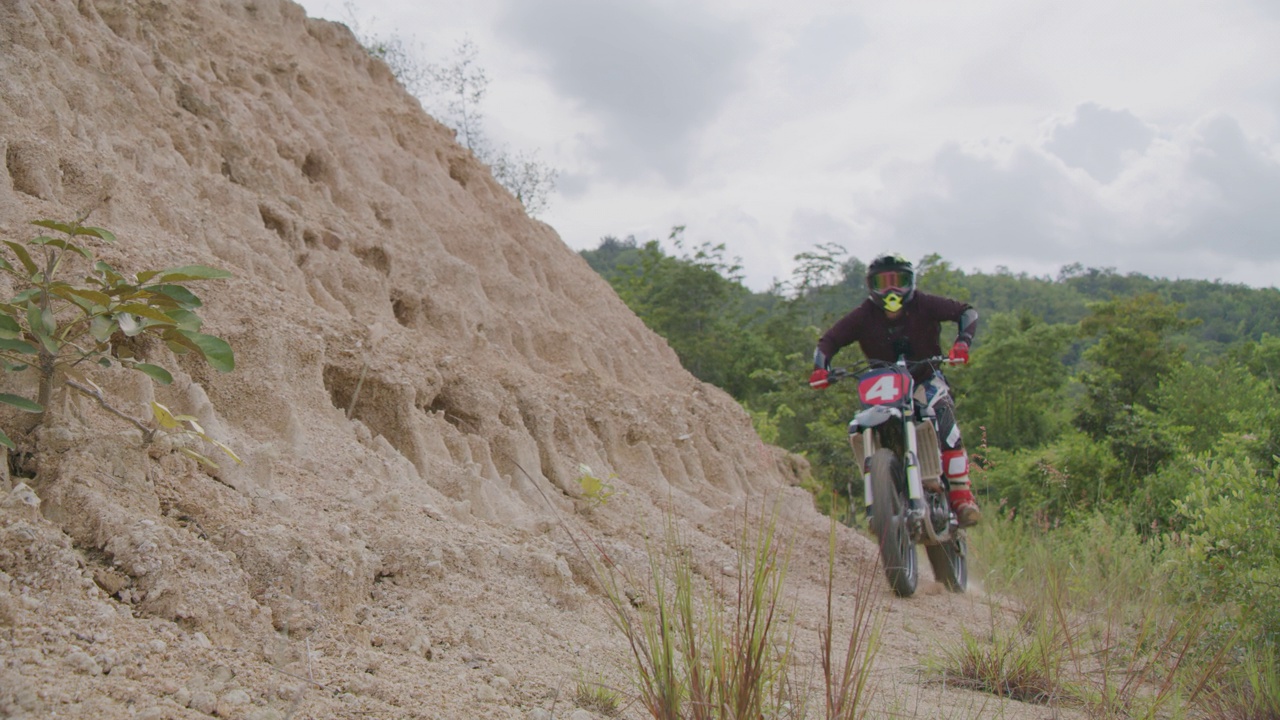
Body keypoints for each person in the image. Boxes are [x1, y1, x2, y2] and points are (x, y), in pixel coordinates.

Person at [808, 253, 982, 526]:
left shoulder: (925, 304)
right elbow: (828, 341)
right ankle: (885, 484)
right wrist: (821, 368)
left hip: (926, 378)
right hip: (883, 386)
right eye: (883, 282)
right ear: (871, 286)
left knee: (943, 413)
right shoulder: (864, 315)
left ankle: (961, 495)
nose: (891, 290)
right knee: (860, 424)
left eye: (898, 281)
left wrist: (963, 343)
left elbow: (966, 312)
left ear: (910, 283)